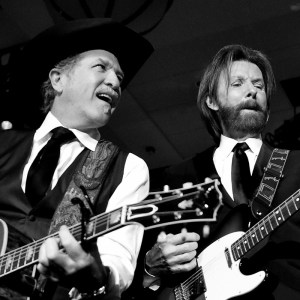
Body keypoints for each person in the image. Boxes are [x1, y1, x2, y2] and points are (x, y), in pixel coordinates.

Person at [0, 18, 153, 300]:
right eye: (101, 67)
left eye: (120, 78)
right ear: (58, 79)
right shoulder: (4, 144)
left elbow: (118, 258)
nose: (115, 82)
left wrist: (97, 275)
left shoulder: (128, 168)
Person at [142, 44, 300, 300]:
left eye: (259, 86)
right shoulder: (178, 177)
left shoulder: (296, 165)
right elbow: (148, 270)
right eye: (238, 83)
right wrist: (149, 271)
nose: (252, 91)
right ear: (211, 100)